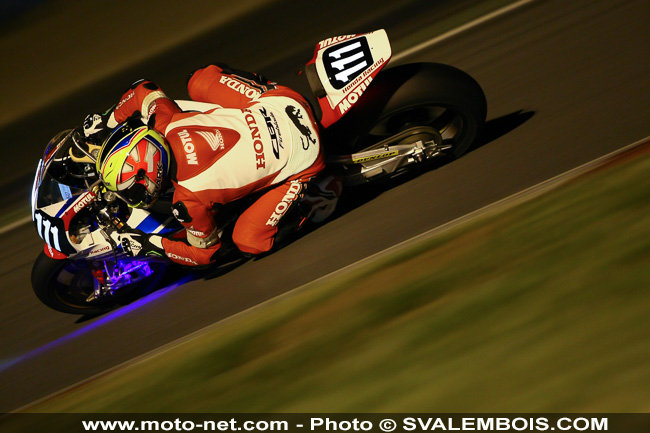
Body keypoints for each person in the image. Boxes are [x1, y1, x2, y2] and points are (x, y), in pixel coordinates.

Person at [85, 64, 341, 266]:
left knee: (249, 242)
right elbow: (142, 88)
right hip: (283, 101)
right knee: (199, 78)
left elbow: (205, 254)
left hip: (306, 156)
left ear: (148, 174)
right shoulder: (164, 120)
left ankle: (319, 192)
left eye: (131, 189)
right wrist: (106, 121)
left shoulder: (188, 201)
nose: (130, 196)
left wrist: (152, 246)